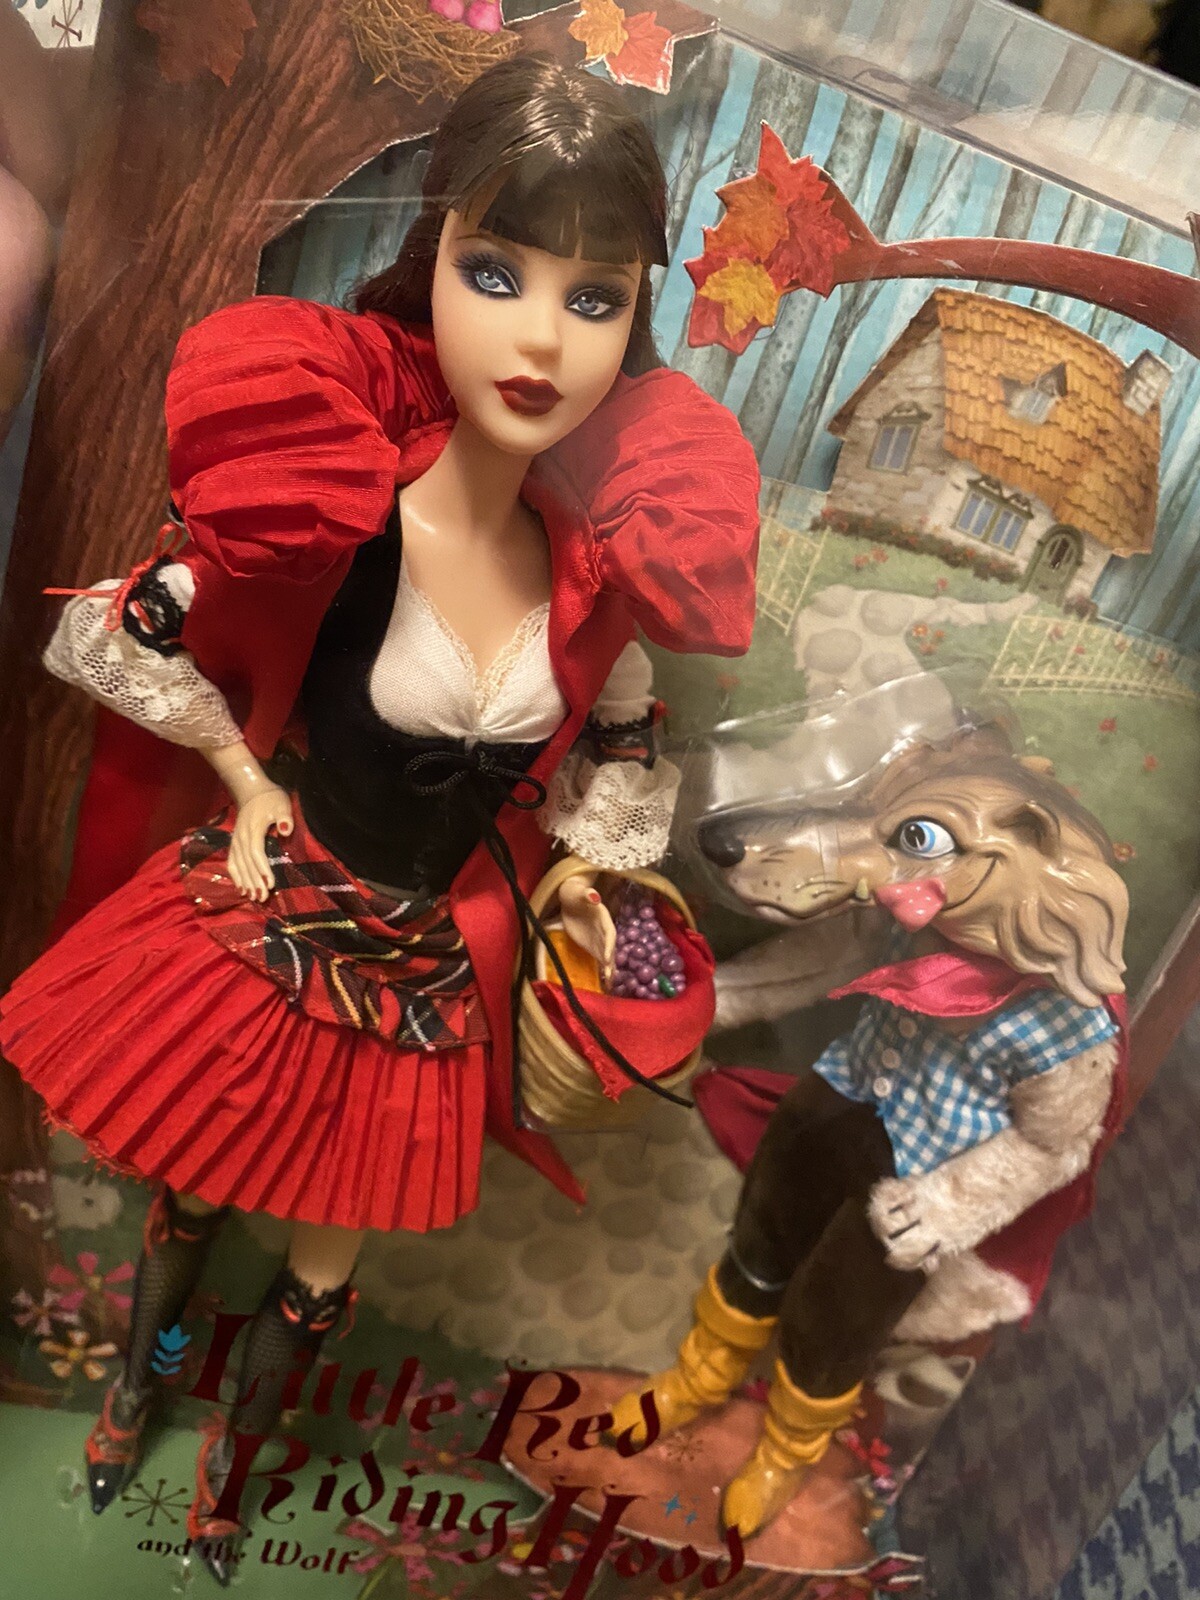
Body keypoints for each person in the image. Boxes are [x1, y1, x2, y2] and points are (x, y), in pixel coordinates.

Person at [0, 52, 760, 1581]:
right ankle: (129, 1406)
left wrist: (585, 883)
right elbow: (132, 630)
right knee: (189, 1205)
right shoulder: (345, 505)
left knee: (320, 1271)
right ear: (435, 257)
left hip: (415, 981)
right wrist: (245, 782)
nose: (539, 337)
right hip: (270, 932)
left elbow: (618, 762)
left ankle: (227, 1481)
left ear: (633, 319)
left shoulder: (597, 572)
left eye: (593, 297)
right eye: (497, 271)